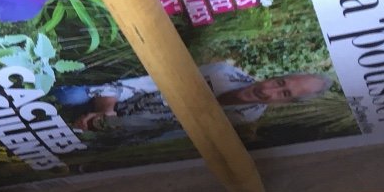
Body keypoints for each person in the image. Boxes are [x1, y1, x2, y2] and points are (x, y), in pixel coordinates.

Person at [55, 62, 332, 134]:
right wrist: (107, 111)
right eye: (280, 82)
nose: (268, 90)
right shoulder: (221, 73)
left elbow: (163, 131)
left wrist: (108, 126)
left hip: (121, 129)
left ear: (283, 103)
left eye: (283, 94)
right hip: (110, 101)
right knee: (69, 95)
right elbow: (139, 84)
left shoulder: (247, 118)